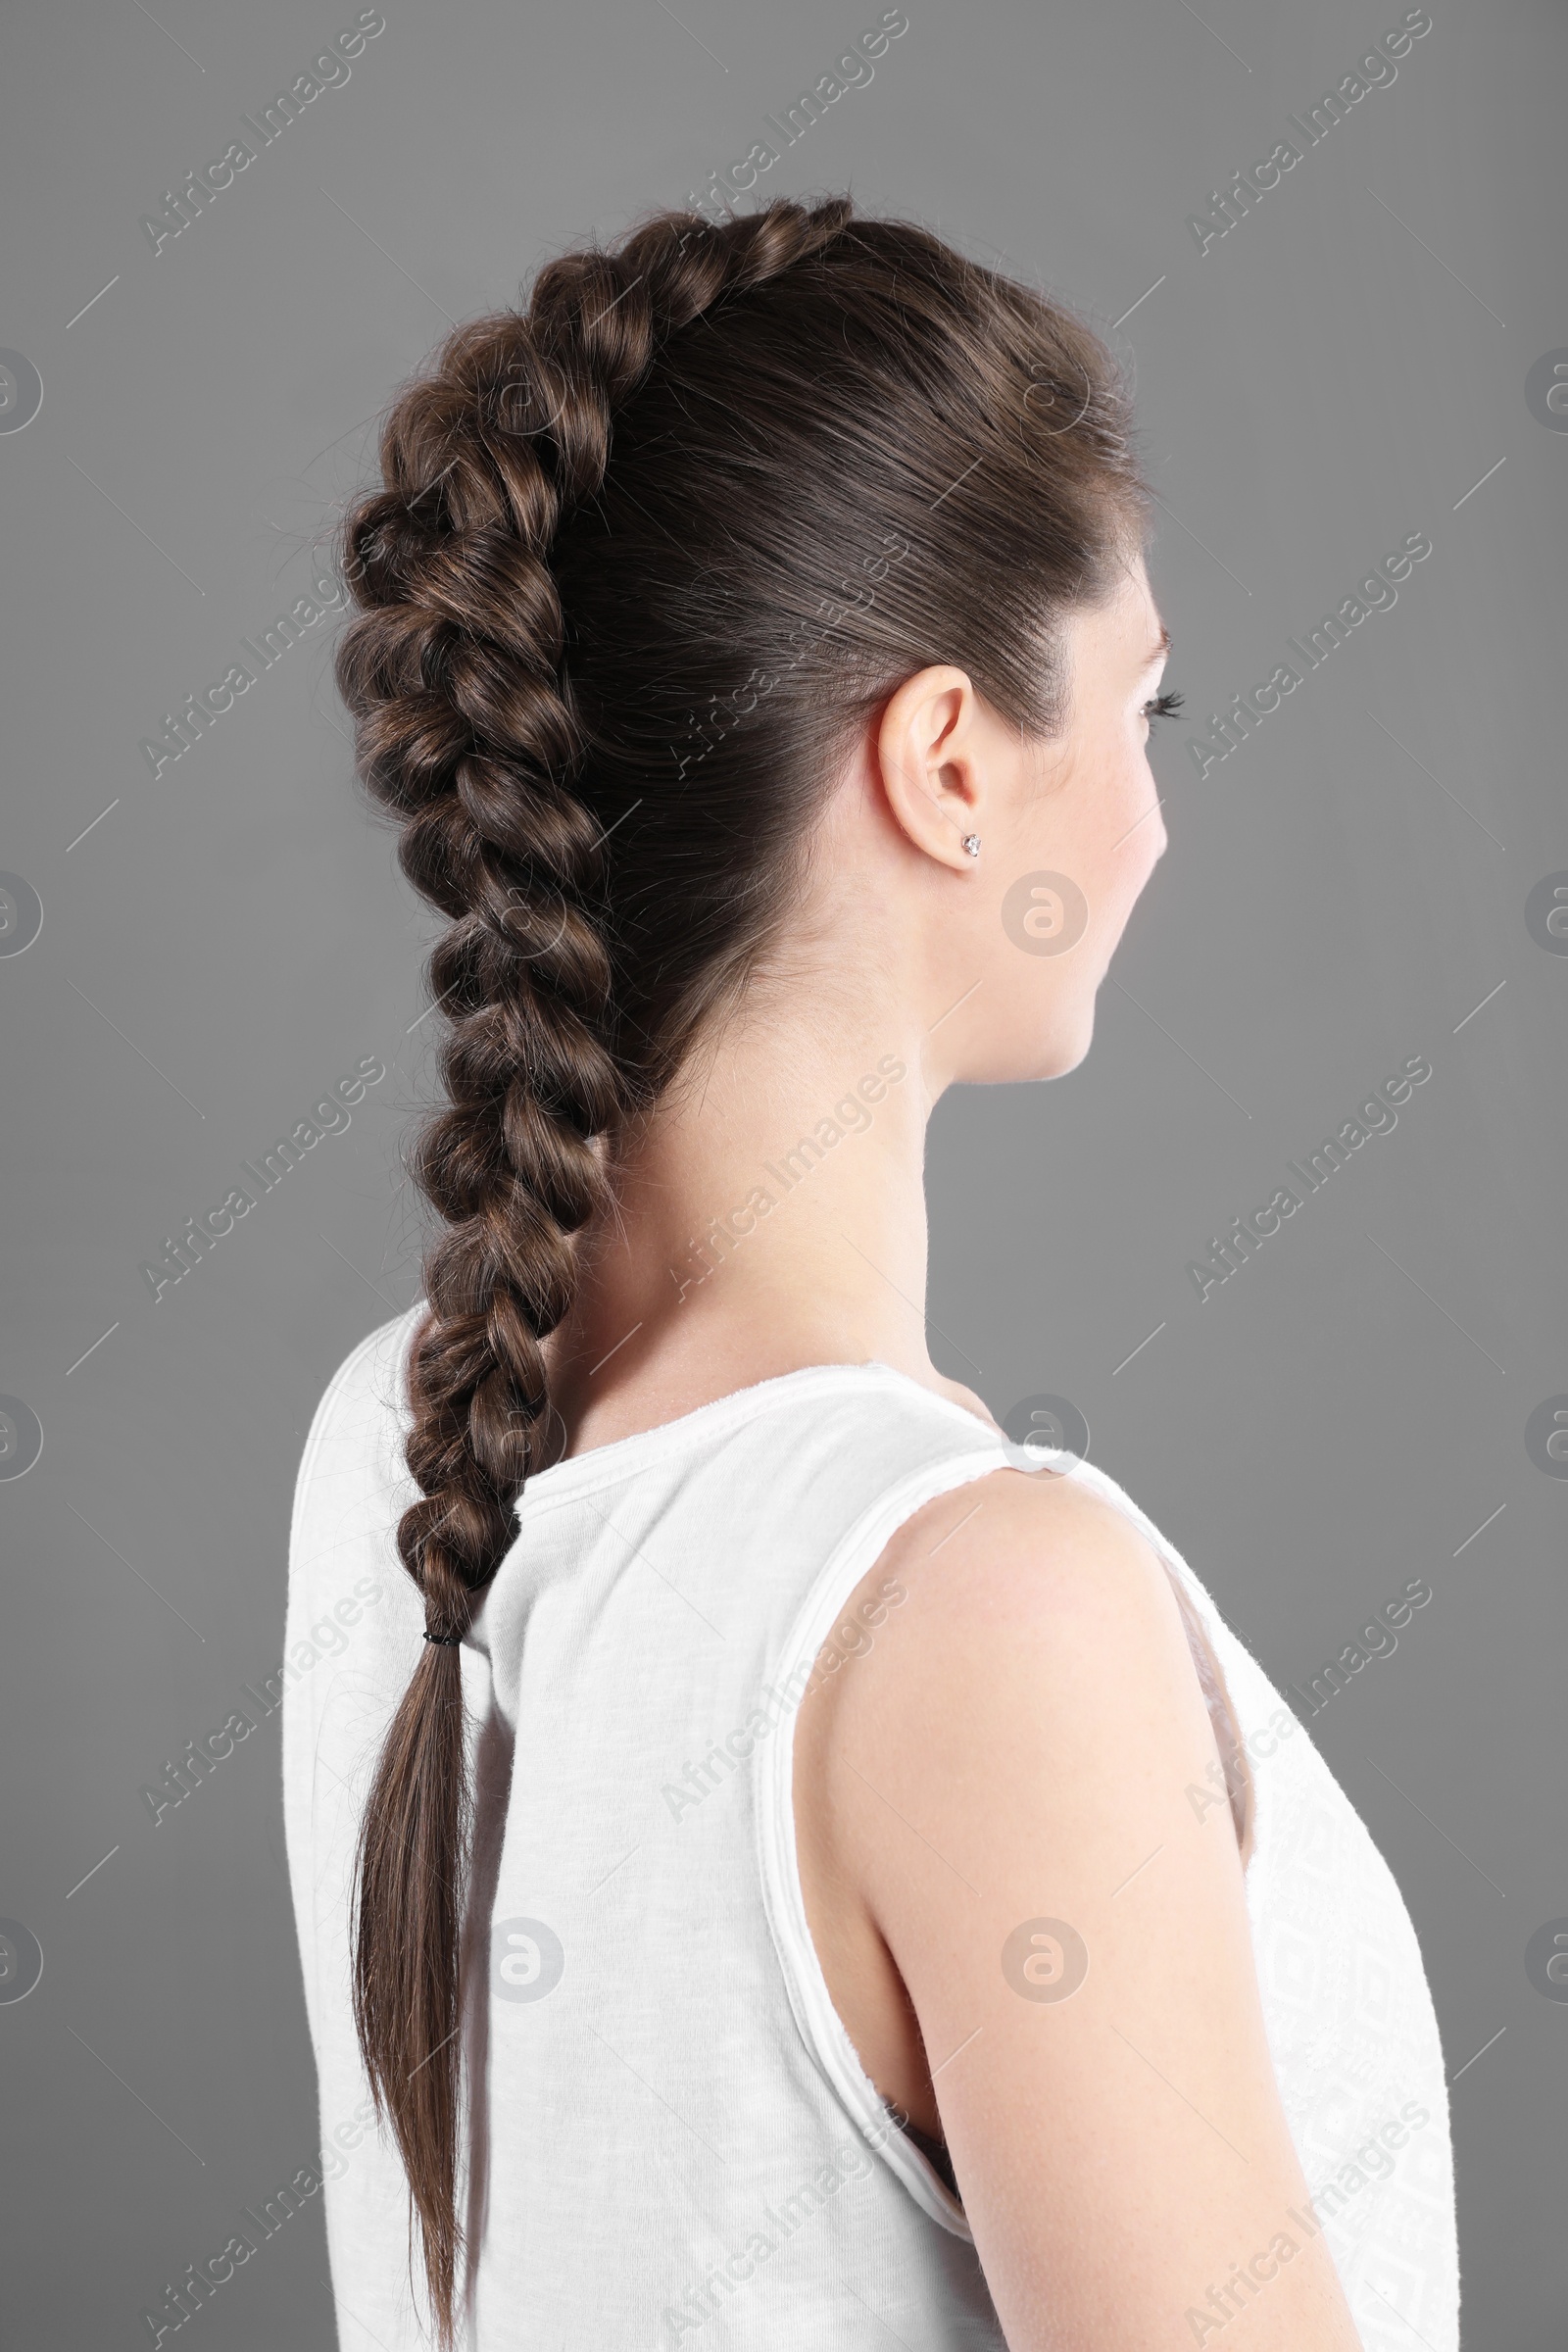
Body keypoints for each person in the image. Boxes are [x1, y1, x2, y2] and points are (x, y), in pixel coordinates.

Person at [283, 195, 1458, 2350]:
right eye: (1145, 710)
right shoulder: (981, 1612)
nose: (1156, 819)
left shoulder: (396, 1437)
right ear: (940, 765)